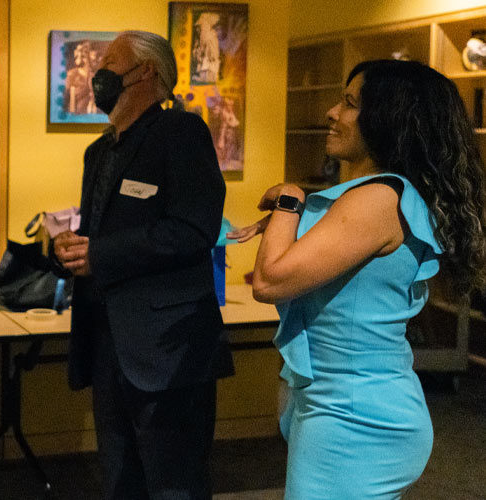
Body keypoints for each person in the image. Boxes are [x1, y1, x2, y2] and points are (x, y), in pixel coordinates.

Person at [228, 59, 486, 499]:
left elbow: (270, 280)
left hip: (353, 417)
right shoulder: (380, 195)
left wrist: (291, 199)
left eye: (348, 103)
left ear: (387, 118)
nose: (332, 112)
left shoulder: (378, 199)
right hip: (344, 406)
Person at [53, 30, 231, 500]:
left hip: (169, 350)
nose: (98, 75)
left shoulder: (181, 133)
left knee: (175, 485)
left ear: (146, 72)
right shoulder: (99, 151)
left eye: (110, 63)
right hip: (108, 344)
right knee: (119, 482)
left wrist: (100, 254)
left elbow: (194, 230)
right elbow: (98, 236)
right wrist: (70, 249)